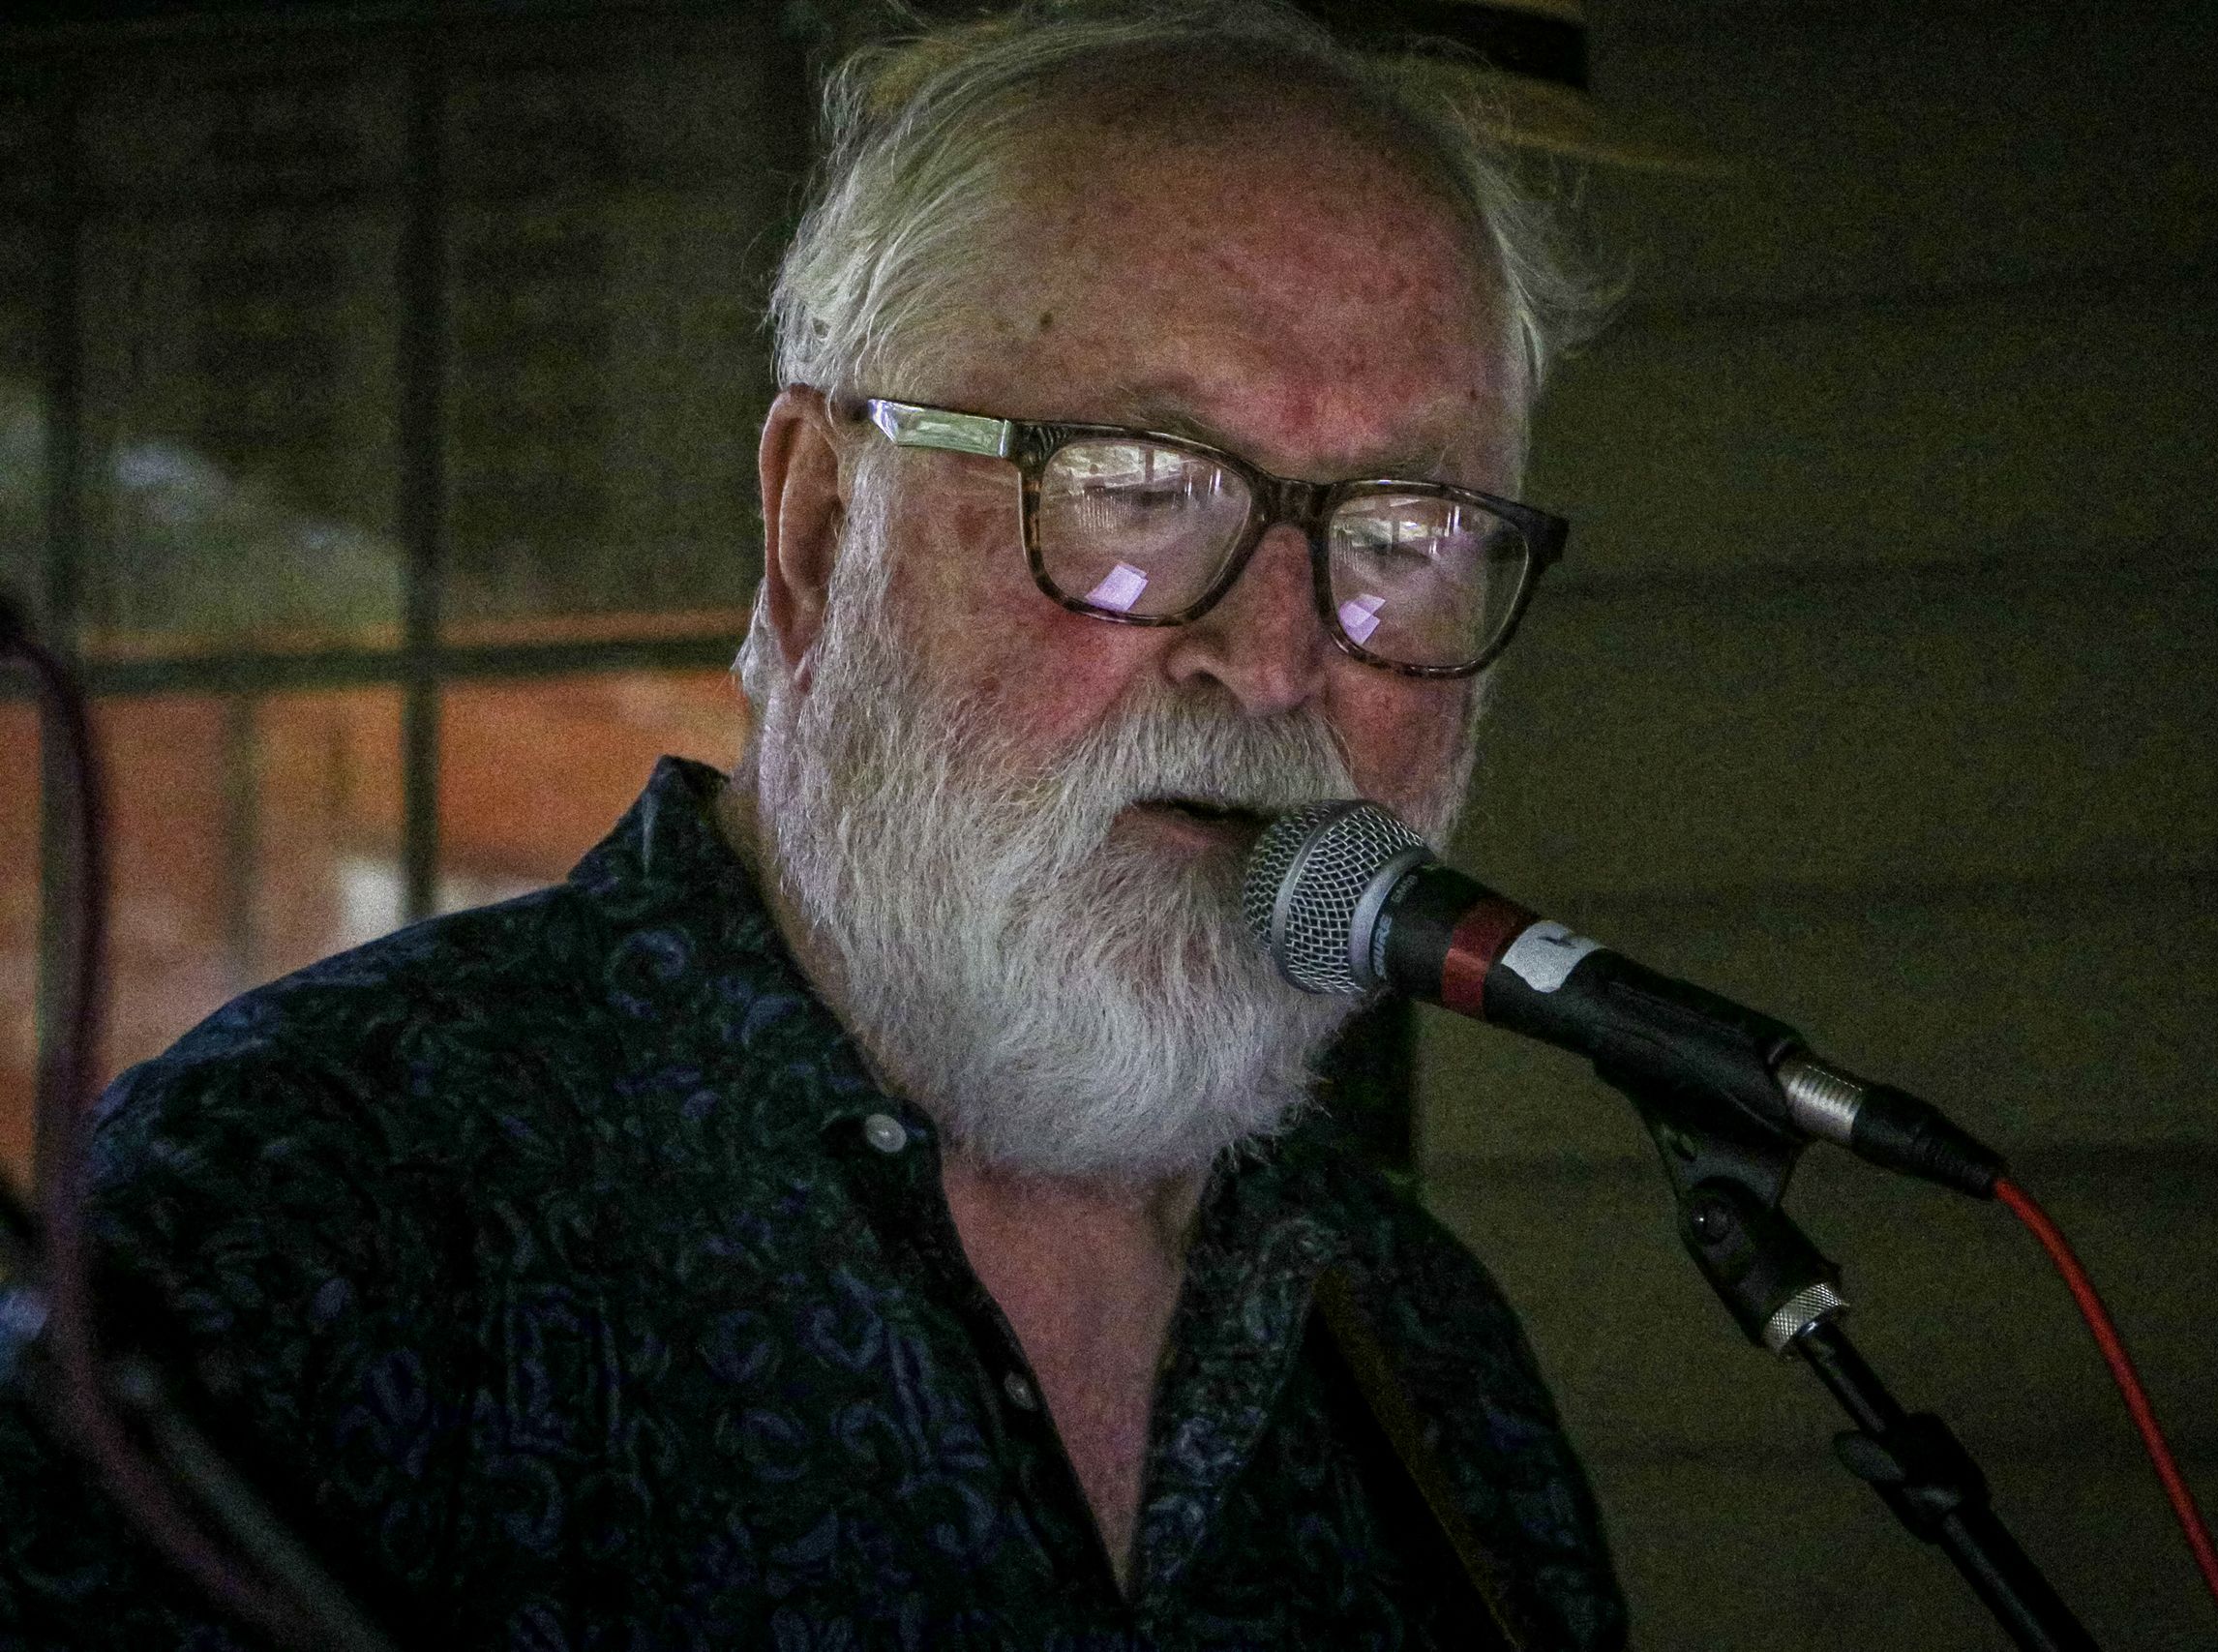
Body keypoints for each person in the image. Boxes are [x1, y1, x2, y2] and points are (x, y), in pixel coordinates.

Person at [0, 4, 1626, 1646]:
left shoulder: (1428, 1350)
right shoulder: (306, 1220)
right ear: (819, 526)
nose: (1274, 661)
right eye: (1139, 481)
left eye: (1407, 532)